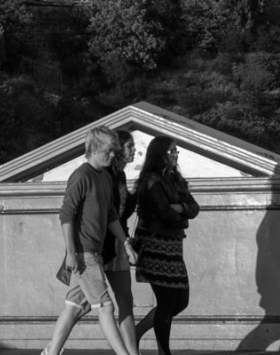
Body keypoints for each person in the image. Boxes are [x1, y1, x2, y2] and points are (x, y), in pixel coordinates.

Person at [42, 126, 138, 355]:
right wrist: (71, 253)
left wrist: (126, 244)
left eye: (114, 150)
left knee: (74, 306)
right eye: (109, 150)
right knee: (106, 307)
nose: (113, 155)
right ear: (94, 149)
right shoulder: (81, 176)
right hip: (84, 254)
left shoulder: (105, 177)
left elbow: (111, 215)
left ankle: (50, 353)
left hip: (95, 252)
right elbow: (66, 215)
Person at [133, 136, 200, 355]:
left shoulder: (176, 179)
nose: (175, 155)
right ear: (159, 154)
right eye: (171, 151)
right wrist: (182, 215)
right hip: (154, 243)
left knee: (181, 301)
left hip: (173, 245)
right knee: (167, 301)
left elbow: (194, 207)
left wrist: (180, 209)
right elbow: (163, 212)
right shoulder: (151, 180)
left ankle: (136, 332)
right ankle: (164, 351)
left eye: (176, 151)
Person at [102, 130, 138, 354]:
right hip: (101, 243)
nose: (134, 150)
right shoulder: (104, 173)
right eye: (129, 146)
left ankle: (132, 352)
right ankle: (52, 348)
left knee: (125, 298)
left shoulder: (121, 175)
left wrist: (135, 194)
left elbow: (122, 213)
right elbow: (108, 213)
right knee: (80, 305)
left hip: (119, 239)